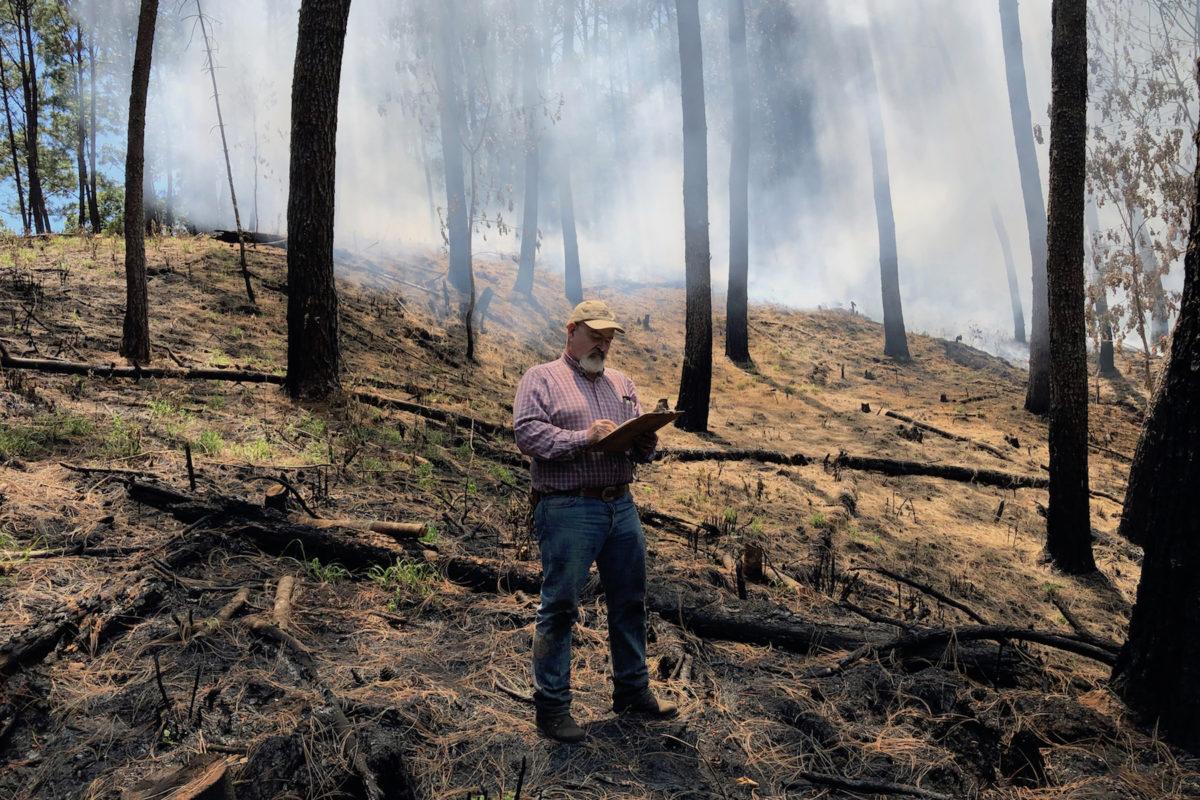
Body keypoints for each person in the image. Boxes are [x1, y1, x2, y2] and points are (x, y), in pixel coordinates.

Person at [513, 299, 677, 743]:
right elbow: (526, 433)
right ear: (571, 331)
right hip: (568, 507)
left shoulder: (622, 383)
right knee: (560, 606)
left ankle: (632, 690)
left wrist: (645, 440)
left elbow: (638, 449)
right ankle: (551, 709)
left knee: (629, 601)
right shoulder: (542, 378)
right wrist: (585, 437)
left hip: (620, 506)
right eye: (595, 333)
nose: (603, 343)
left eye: (609, 337)